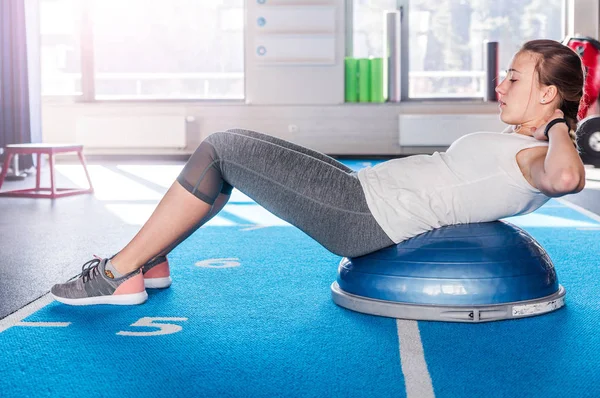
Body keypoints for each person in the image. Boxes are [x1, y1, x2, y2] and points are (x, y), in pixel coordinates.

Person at [51, 39, 586, 306]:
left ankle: (118, 273)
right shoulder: (515, 141)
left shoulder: (536, 156)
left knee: (220, 149)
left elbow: (566, 180)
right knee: (237, 145)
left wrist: (561, 123)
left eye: (514, 78)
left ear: (545, 93)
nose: (501, 84)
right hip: (361, 187)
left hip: (362, 214)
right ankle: (153, 260)